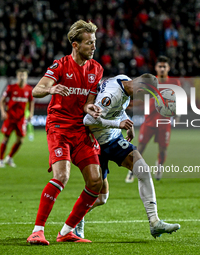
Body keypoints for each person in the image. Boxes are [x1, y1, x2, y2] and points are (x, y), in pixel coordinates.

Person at [26, 20, 104, 245]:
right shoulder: (60, 66)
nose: (93, 46)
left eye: (95, 42)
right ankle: (38, 230)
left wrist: (91, 108)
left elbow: (87, 104)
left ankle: (67, 231)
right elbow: (36, 90)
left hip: (80, 129)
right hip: (59, 127)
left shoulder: (96, 69)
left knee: (95, 182)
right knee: (62, 176)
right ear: (75, 45)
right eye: (89, 43)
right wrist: (51, 88)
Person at [75, 73, 180, 239]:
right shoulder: (110, 96)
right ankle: (77, 219)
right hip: (96, 144)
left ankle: (154, 222)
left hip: (114, 139)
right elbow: (88, 120)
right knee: (101, 197)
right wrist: (119, 123)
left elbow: (119, 109)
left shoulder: (123, 80)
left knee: (143, 171)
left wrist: (127, 122)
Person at [125, 56, 181, 182]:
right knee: (141, 148)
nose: (162, 69)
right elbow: (141, 96)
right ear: (156, 68)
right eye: (159, 66)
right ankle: (132, 170)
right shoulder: (150, 81)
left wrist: (177, 116)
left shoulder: (175, 83)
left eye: (164, 66)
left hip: (164, 122)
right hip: (149, 120)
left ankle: (159, 167)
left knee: (163, 149)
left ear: (168, 68)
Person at [0, 69, 34, 168]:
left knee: (20, 140)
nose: (22, 77)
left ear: (26, 77)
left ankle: (9, 158)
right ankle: (1, 160)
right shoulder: (11, 87)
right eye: (20, 75)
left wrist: (31, 113)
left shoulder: (29, 89)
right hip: (10, 117)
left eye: (24, 75)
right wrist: (3, 112)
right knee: (6, 138)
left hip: (21, 119)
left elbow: (31, 102)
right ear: (17, 76)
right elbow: (2, 101)